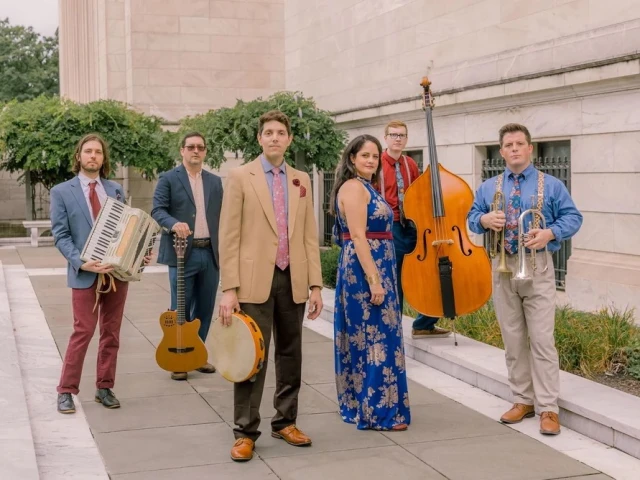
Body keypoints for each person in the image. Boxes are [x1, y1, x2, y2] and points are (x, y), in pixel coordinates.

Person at [218, 110, 323, 462]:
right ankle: (245, 431)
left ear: (289, 140)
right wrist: (229, 288)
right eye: (269, 132)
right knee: (251, 356)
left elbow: (309, 235)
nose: (275, 137)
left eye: (280, 132)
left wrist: (316, 285)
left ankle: (286, 421)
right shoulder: (240, 176)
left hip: (293, 278)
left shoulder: (301, 179)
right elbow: (229, 235)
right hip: (252, 282)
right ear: (259, 138)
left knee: (291, 354)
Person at [467, 123, 583, 436]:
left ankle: (548, 407)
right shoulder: (488, 187)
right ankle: (522, 400)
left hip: (537, 267)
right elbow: (471, 218)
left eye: (520, 144)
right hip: (502, 267)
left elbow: (574, 217)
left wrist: (550, 233)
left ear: (530, 148)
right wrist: (484, 219)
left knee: (542, 340)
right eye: (509, 145)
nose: (515, 149)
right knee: (513, 339)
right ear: (502, 151)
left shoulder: (552, 185)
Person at [51, 133, 150, 414]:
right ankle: (66, 390)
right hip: (85, 274)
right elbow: (61, 235)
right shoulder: (62, 192)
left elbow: (127, 230)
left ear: (103, 158)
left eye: (98, 152)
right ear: (79, 156)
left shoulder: (115, 190)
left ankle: (104, 387)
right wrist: (81, 262)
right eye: (88, 151)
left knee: (111, 333)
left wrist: (140, 253)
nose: (93, 156)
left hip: (115, 275)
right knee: (82, 331)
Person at [330, 134, 411, 431]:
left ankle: (371, 404)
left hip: (377, 268)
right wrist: (375, 281)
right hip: (364, 272)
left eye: (375, 156)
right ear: (352, 158)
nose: (371, 160)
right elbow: (357, 236)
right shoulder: (353, 187)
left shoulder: (366, 186)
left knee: (378, 336)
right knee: (373, 338)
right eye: (365, 155)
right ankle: (376, 412)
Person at [151, 132, 223, 381]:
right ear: (182, 150)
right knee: (180, 308)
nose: (196, 151)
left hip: (210, 253)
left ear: (205, 152)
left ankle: (197, 354)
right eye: (191, 147)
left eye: (200, 147)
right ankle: (179, 357)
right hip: (182, 253)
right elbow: (157, 210)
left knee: (205, 307)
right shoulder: (169, 179)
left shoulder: (215, 182)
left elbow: (223, 216)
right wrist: (173, 224)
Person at [376, 120, 450, 339]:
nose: (398, 139)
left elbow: (418, 195)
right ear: (385, 138)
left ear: (406, 139)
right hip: (390, 227)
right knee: (396, 279)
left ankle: (424, 324)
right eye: (393, 135)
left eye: (402, 135)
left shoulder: (410, 164)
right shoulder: (377, 164)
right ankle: (393, 329)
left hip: (413, 226)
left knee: (430, 273)